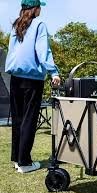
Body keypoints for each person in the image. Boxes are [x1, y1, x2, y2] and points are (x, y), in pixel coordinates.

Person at [5, 0, 60, 173]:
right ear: (35, 9)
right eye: (40, 7)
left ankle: (17, 159)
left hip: (15, 77)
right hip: (32, 79)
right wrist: (54, 72)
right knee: (29, 119)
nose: (41, 10)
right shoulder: (39, 25)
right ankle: (25, 162)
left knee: (18, 119)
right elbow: (43, 50)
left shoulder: (16, 25)